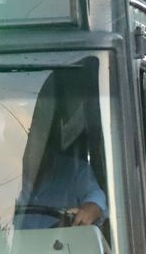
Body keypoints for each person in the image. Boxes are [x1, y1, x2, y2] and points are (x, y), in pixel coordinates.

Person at [14, 73, 108, 229]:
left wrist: (90, 209)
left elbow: (96, 199)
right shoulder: (5, 182)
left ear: (47, 139)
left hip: (64, 252)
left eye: (35, 137)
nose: (29, 146)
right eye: (24, 140)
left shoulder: (76, 172)